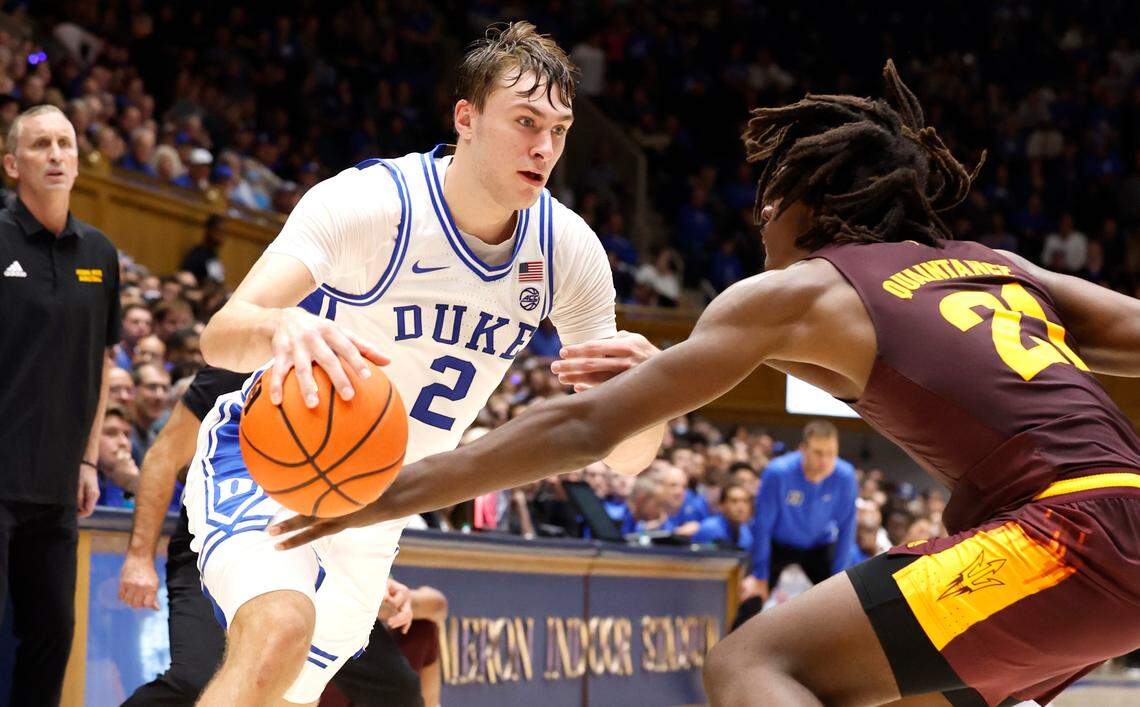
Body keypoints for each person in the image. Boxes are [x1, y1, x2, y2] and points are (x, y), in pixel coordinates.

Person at [276, 60, 1140, 706]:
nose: (760, 216)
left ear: (809, 201)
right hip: (1110, 518)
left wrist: (394, 489)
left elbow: (582, 431)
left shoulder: (800, 290)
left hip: (1068, 535)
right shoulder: (997, 267)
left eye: (771, 196)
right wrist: (679, 373)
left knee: (750, 663)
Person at [190, 22, 664, 705]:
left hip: (382, 505)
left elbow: (628, 459)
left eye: (558, 130)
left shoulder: (569, 252)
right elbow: (220, 336)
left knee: (287, 693)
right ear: (465, 118)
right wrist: (277, 323)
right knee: (277, 631)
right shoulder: (369, 204)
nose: (544, 147)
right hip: (273, 457)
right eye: (525, 121)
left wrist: (651, 398)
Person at [119, 366, 427, 706]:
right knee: (196, 678)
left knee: (396, 689)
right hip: (219, 543)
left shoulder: (348, 372)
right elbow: (164, 456)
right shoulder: (237, 363)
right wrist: (138, 557)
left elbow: (343, 489)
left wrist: (377, 578)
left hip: (312, 541)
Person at [0, 104, 119, 706]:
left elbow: (99, 359)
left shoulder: (100, 253)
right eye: (40, 144)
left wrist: (89, 459)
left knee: (54, 635)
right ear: (11, 163)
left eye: (65, 144)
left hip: (57, 483)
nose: (55, 154)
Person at [742, 420, 857, 607]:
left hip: (820, 546)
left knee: (842, 604)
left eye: (831, 454)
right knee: (751, 597)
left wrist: (839, 579)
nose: (825, 461)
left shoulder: (845, 476)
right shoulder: (778, 472)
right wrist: (760, 576)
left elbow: (847, 528)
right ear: (803, 449)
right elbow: (762, 525)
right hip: (778, 546)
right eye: (818, 453)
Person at [690, 482, 754, 551]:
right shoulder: (709, 529)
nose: (741, 507)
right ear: (721, 505)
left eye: (745, 501)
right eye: (734, 501)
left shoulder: (746, 532)